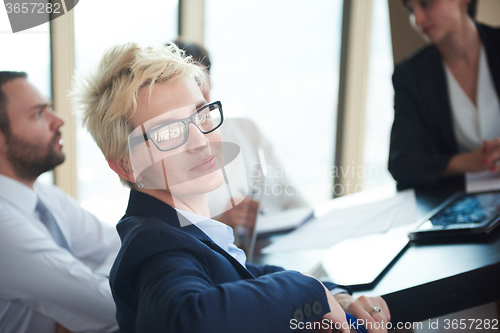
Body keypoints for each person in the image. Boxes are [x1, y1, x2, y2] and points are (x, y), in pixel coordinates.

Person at [72, 42, 391, 333]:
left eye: (200, 114)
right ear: (125, 165)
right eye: (168, 132)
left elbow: (243, 271)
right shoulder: (154, 246)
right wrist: (306, 291)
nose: (200, 141)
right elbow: (186, 319)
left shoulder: (182, 230)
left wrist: (333, 294)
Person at [0, 71, 120, 333]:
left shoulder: (44, 195)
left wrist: (73, 309)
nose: (59, 120)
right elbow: (109, 307)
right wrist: (83, 302)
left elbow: (125, 244)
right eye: (38, 113)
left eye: (50, 107)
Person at [173, 39, 310, 244]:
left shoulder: (247, 130)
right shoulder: (170, 156)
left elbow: (295, 200)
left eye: (199, 79)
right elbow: (175, 234)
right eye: (185, 81)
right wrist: (222, 222)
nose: (195, 89)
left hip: (277, 246)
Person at [388, 0, 500, 190]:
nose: (418, 19)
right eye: (410, 10)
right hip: (465, 205)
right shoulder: (410, 75)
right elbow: (401, 164)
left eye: (426, 3)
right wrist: (468, 162)